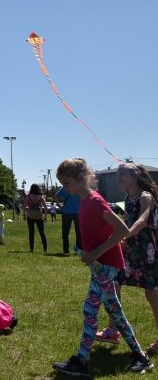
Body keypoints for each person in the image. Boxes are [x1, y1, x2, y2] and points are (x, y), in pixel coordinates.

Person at [51, 158, 153, 377]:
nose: (64, 188)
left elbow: (122, 230)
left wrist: (97, 252)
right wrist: (88, 252)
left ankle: (81, 361)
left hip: (108, 265)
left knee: (90, 309)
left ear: (80, 179)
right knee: (116, 313)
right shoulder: (83, 200)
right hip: (99, 265)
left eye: (66, 183)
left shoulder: (95, 201)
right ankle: (141, 357)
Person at [96, 163, 158, 354]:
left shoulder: (145, 197)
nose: (118, 175)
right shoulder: (127, 197)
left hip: (147, 252)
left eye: (123, 172)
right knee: (113, 285)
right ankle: (113, 330)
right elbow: (127, 222)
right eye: (117, 173)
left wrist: (125, 235)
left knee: (152, 295)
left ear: (136, 175)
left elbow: (141, 221)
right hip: (130, 250)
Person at [57, 184, 82, 255]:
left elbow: (56, 196)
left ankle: (66, 250)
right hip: (77, 212)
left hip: (66, 212)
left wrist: (59, 206)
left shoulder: (64, 187)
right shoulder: (77, 187)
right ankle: (78, 250)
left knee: (65, 233)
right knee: (79, 232)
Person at [25, 184, 48, 253]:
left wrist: (23, 214)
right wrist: (45, 216)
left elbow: (24, 206)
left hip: (30, 216)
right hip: (39, 216)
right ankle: (45, 249)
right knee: (42, 233)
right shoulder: (41, 197)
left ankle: (31, 249)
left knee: (31, 233)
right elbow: (46, 208)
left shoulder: (28, 196)